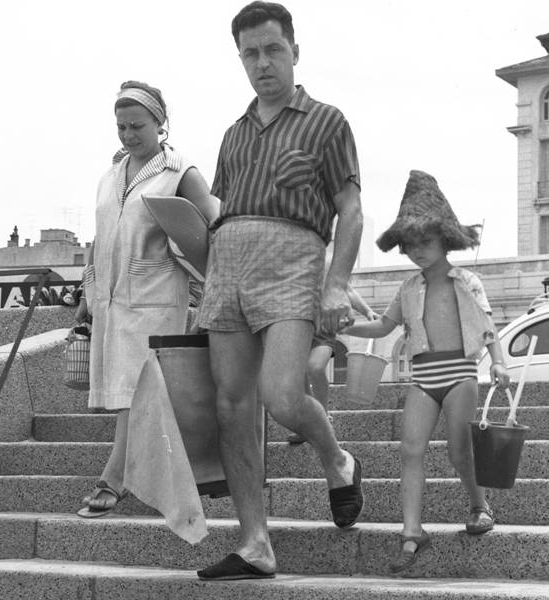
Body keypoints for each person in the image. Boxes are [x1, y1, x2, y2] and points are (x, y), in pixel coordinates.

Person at [194, 2, 364, 580]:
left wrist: (336, 283)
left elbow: (352, 211)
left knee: (282, 397)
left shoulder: (327, 121)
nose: (262, 63)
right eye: (250, 53)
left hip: (292, 259)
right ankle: (255, 543)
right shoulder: (233, 134)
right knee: (230, 403)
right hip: (228, 265)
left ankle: (338, 459)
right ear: (239, 58)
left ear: (295, 50)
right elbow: (223, 210)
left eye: (273, 49)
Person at [341, 170, 511, 574]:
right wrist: (346, 325)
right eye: (411, 244)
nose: (418, 250)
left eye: (427, 241)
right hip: (423, 376)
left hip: (460, 373)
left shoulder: (467, 280)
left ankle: (478, 504)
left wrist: (499, 360)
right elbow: (384, 326)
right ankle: (411, 530)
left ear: (445, 238)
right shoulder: (409, 287)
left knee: (458, 450)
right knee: (410, 450)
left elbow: (487, 326)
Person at [73, 80, 219, 518]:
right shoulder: (110, 175)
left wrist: (215, 287)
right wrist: (85, 299)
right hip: (111, 298)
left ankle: (114, 477)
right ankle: (166, 476)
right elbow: (102, 238)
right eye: (121, 127)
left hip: (156, 296)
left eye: (137, 125)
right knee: (136, 391)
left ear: (161, 122)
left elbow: (212, 228)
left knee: (141, 388)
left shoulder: (181, 171)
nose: (128, 135)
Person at [287, 283, 379, 444]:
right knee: (299, 374)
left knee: (315, 368)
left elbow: (346, 289)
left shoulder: (326, 260)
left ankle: (323, 418)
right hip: (296, 328)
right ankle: (307, 422)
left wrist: (367, 311)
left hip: (323, 331)